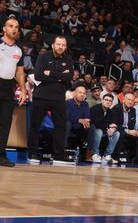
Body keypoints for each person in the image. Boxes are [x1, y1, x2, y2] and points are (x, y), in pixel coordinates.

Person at [28, 35, 73, 165]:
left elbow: (69, 76)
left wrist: (50, 73)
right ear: (53, 45)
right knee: (35, 126)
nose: (61, 47)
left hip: (59, 98)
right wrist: (60, 76)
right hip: (41, 96)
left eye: (63, 45)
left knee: (61, 127)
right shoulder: (43, 57)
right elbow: (38, 75)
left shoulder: (68, 59)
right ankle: (33, 153)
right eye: (58, 44)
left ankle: (59, 155)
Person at [0, 16, 27, 167]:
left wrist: (23, 90)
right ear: (4, 29)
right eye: (10, 26)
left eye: (16, 27)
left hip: (8, 87)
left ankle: (1, 155)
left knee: (5, 122)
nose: (14, 29)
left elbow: (20, 72)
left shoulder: (19, 49)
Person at [89, 93, 120, 162]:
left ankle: (107, 155)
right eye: (106, 100)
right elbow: (97, 123)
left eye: (110, 101)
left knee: (117, 133)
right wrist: (108, 126)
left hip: (104, 131)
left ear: (112, 103)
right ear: (102, 100)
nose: (108, 102)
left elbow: (114, 123)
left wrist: (113, 128)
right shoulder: (95, 109)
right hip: (93, 131)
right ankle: (95, 154)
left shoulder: (111, 111)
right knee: (99, 131)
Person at [65, 84, 91, 158]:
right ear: (75, 93)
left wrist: (86, 121)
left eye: (84, 93)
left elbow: (87, 117)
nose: (82, 95)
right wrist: (78, 120)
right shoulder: (67, 103)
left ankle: (87, 152)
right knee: (68, 123)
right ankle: (63, 149)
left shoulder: (85, 104)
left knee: (89, 126)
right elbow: (65, 117)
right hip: (69, 126)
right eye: (80, 93)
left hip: (79, 127)